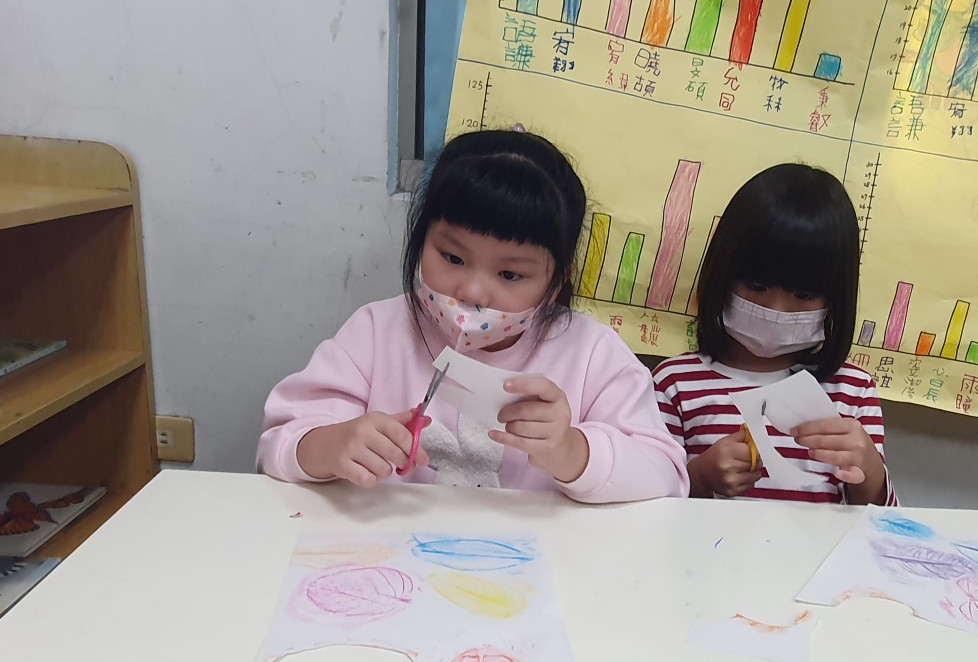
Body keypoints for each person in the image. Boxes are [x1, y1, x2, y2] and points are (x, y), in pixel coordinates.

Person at [258, 128, 688, 502]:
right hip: (390, 551)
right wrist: (330, 445)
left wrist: (575, 452)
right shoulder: (375, 333)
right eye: (453, 257)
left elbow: (667, 477)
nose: (473, 292)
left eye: (510, 274)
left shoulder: (592, 354)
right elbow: (277, 444)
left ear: (558, 281)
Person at [652, 163, 896, 505]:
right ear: (722, 275)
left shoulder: (852, 391)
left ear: (835, 299)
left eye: (804, 295)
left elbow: (877, 520)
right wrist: (700, 477)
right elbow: (648, 506)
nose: (776, 308)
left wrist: (869, 470)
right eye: (756, 286)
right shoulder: (674, 384)